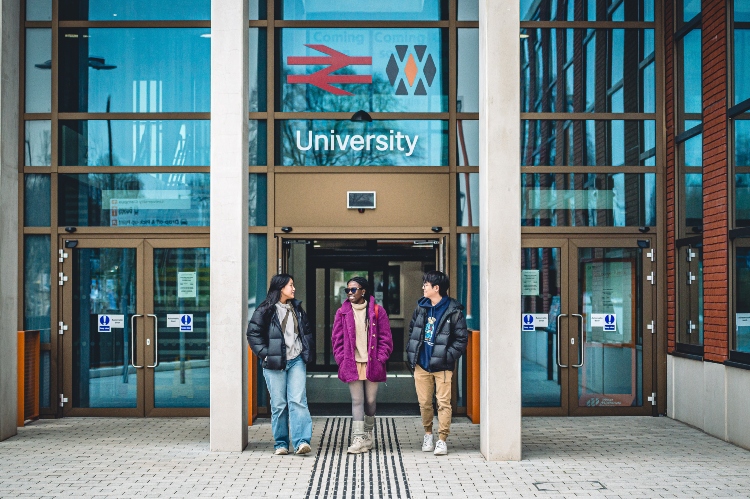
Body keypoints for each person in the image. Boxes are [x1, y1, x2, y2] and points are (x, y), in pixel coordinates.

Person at [247, 274, 314, 456]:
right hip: (274, 363)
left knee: (298, 401)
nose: (293, 288)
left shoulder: (297, 309)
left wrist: (307, 352)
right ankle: (281, 443)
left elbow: (306, 333)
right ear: (280, 287)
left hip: (296, 360)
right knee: (279, 404)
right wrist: (266, 355)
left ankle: (301, 442)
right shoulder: (265, 310)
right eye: (290, 285)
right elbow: (253, 335)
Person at [406, 270, 468, 456]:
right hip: (422, 364)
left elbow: (461, 340)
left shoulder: (453, 311)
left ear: (436, 288)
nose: (423, 287)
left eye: (426, 284)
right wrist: (414, 354)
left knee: (443, 403)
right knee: (425, 403)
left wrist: (446, 357)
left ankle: (442, 439)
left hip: (442, 366)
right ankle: (428, 434)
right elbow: (412, 330)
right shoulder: (421, 307)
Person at [331, 277, 393, 454]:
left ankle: (368, 433)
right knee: (357, 400)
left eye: (353, 290)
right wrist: (342, 359)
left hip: (372, 362)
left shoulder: (377, 311)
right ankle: (358, 438)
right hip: (352, 362)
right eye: (347, 290)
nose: (350, 293)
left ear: (363, 291)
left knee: (370, 401)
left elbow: (386, 338)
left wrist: (381, 357)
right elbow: (337, 339)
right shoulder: (342, 312)